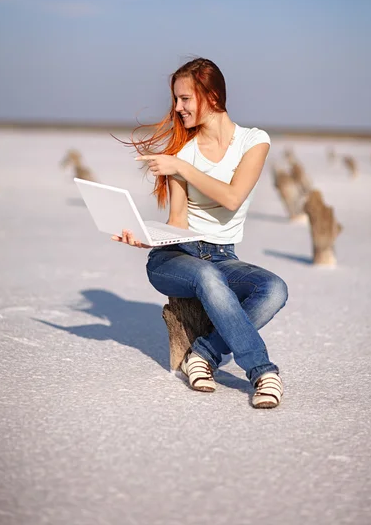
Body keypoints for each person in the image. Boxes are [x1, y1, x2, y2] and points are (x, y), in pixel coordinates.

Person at [112, 58, 288, 408]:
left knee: (273, 289)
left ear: (211, 96)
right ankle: (262, 371)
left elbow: (233, 197)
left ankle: (203, 354)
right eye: (175, 100)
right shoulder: (183, 152)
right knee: (206, 276)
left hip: (223, 255)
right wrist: (147, 238)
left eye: (184, 99)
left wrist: (181, 167)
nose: (177, 109)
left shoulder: (254, 141)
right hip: (175, 258)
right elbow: (177, 223)